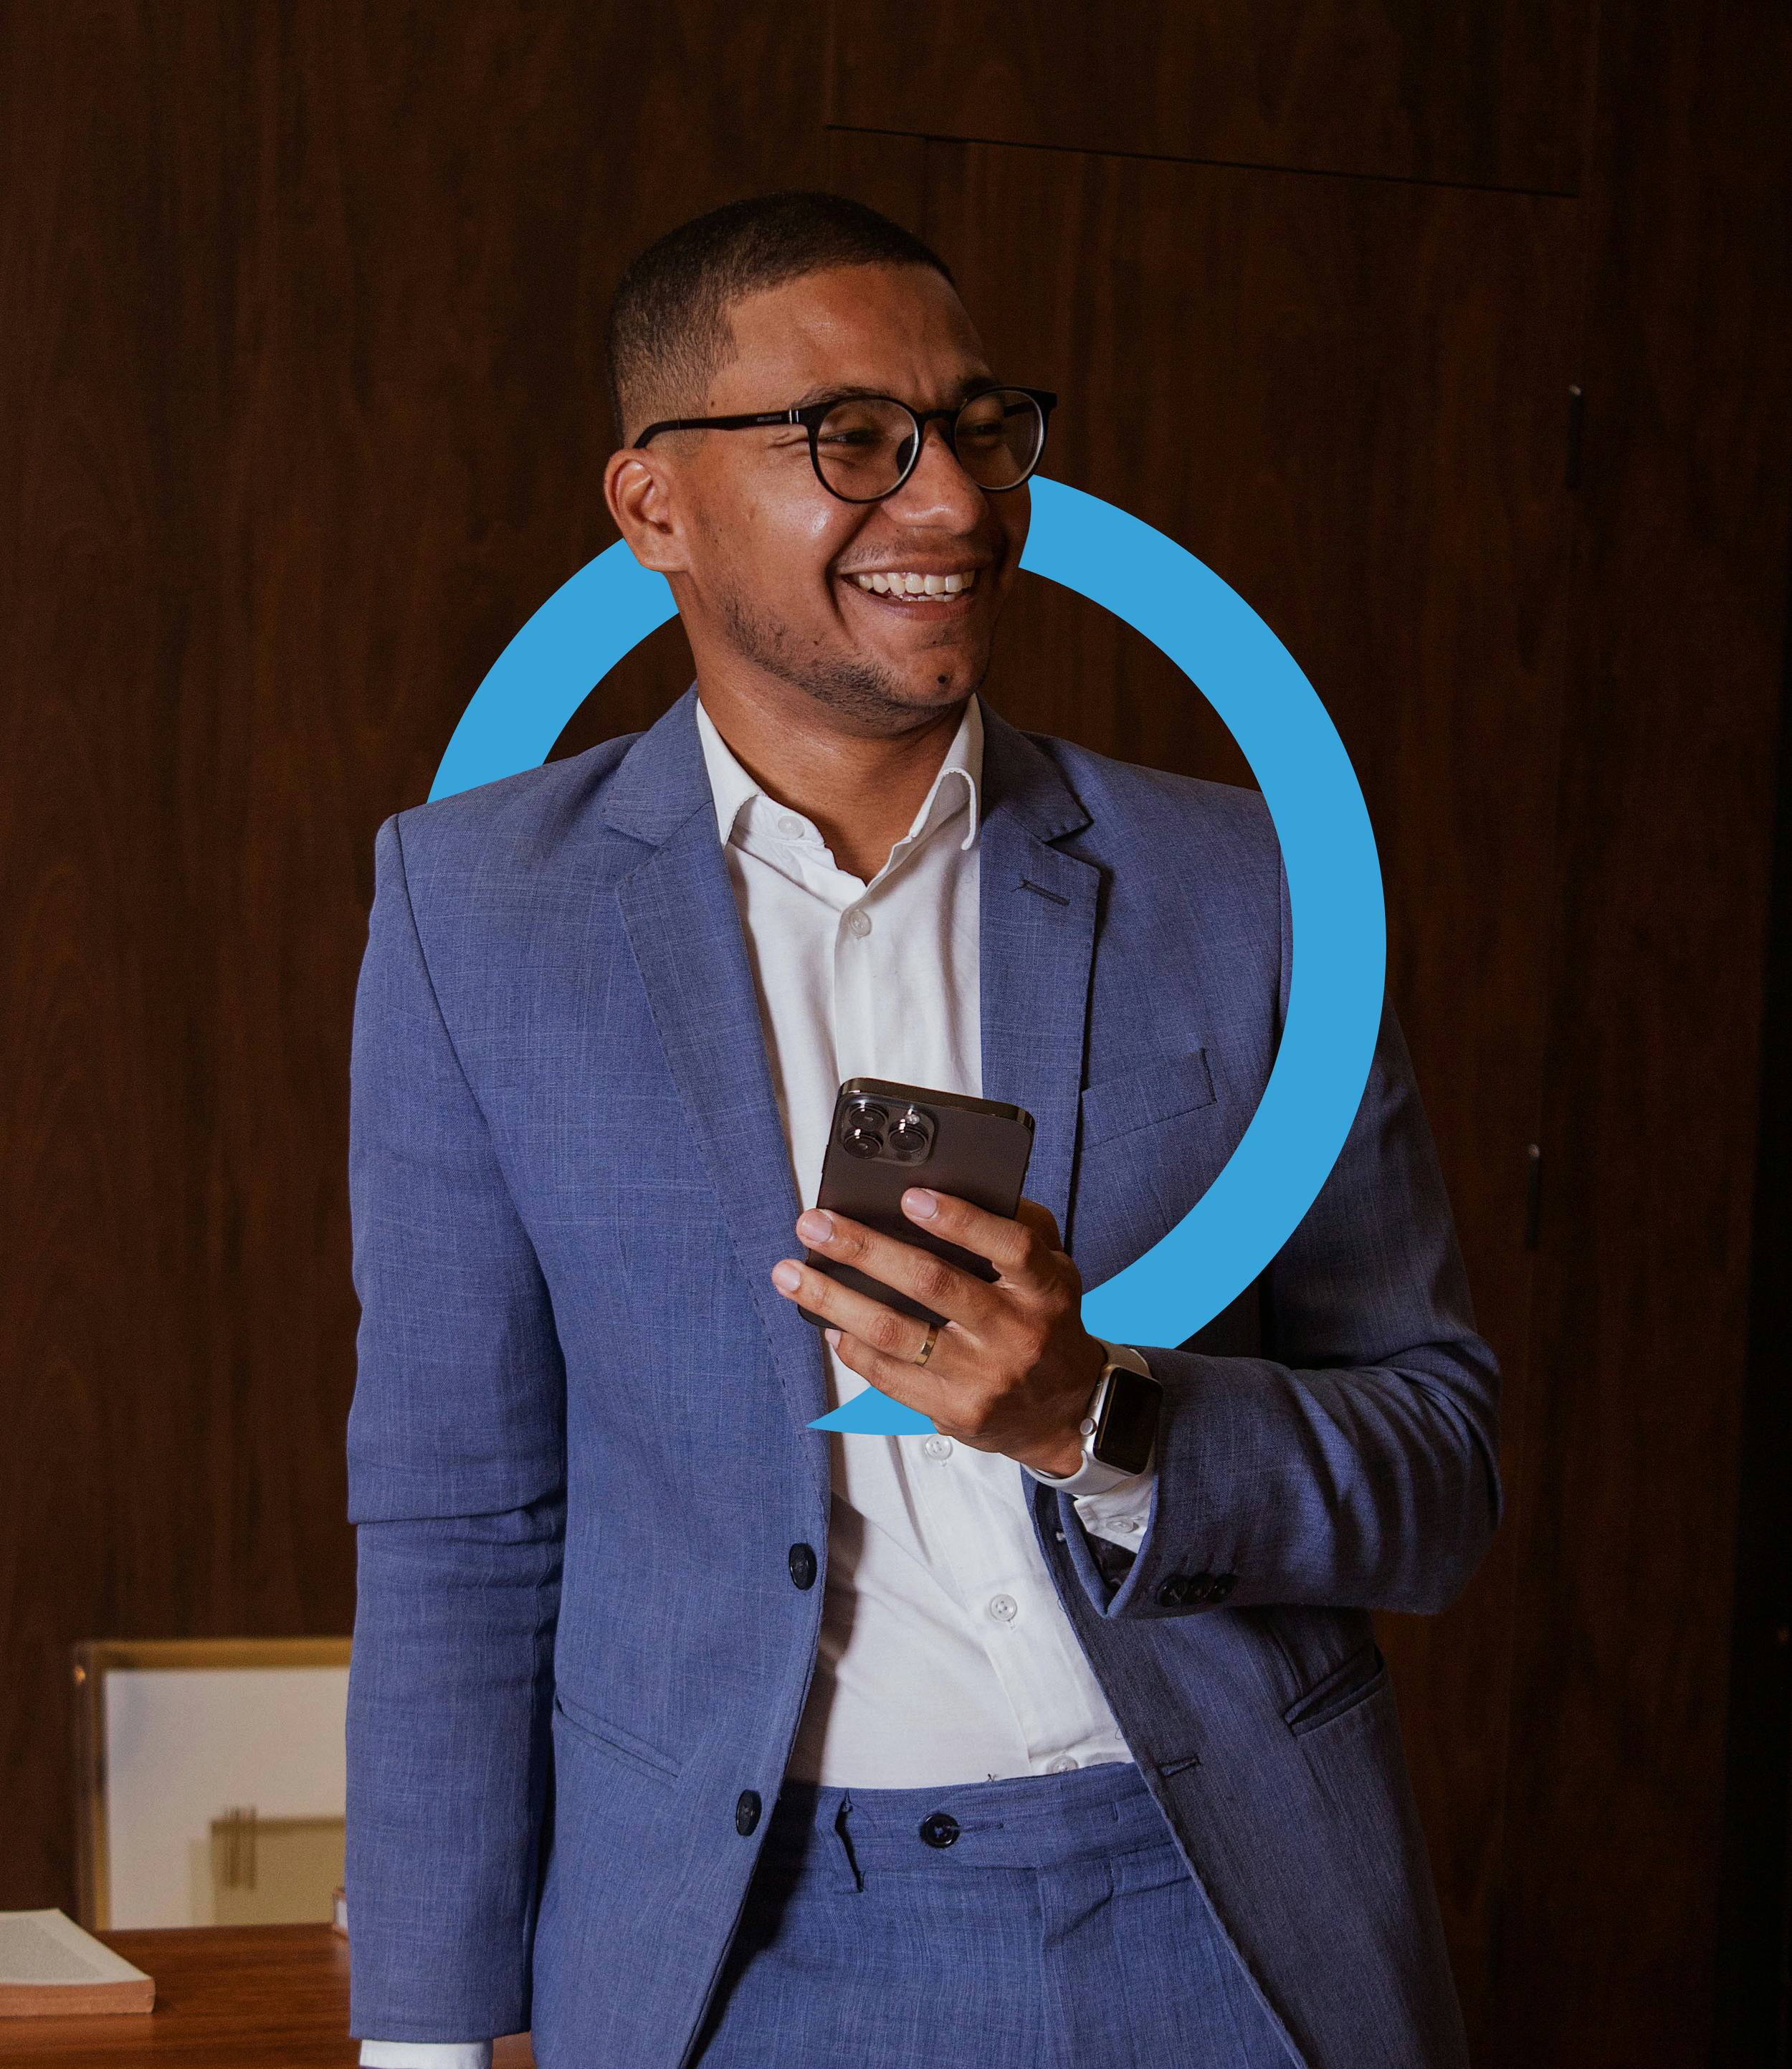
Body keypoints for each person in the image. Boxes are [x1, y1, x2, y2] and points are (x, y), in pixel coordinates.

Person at [344, 191, 1500, 2069]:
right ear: (651, 508)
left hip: (1213, 1920)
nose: (953, 501)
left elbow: (1439, 1471)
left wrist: (1101, 1417)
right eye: (853, 441)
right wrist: (421, 2036)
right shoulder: (481, 913)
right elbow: (460, 1522)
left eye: (978, 427)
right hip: (742, 1958)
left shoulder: (1246, 886)